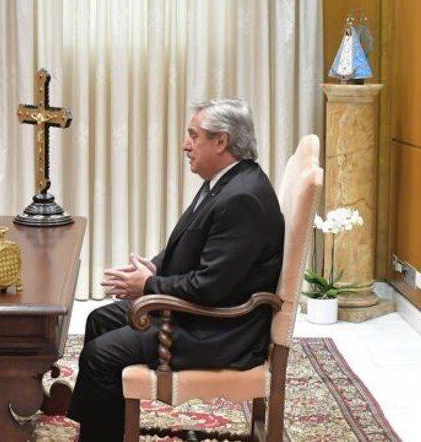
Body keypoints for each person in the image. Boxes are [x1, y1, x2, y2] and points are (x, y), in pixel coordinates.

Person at [67, 98, 285, 440]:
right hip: (203, 313)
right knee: (99, 319)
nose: (186, 145)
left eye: (193, 136)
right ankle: (100, 429)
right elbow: (192, 247)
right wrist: (151, 267)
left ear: (221, 141)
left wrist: (149, 286)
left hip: (220, 330)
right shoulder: (226, 181)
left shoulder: (243, 199)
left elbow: (208, 287)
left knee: (100, 355)